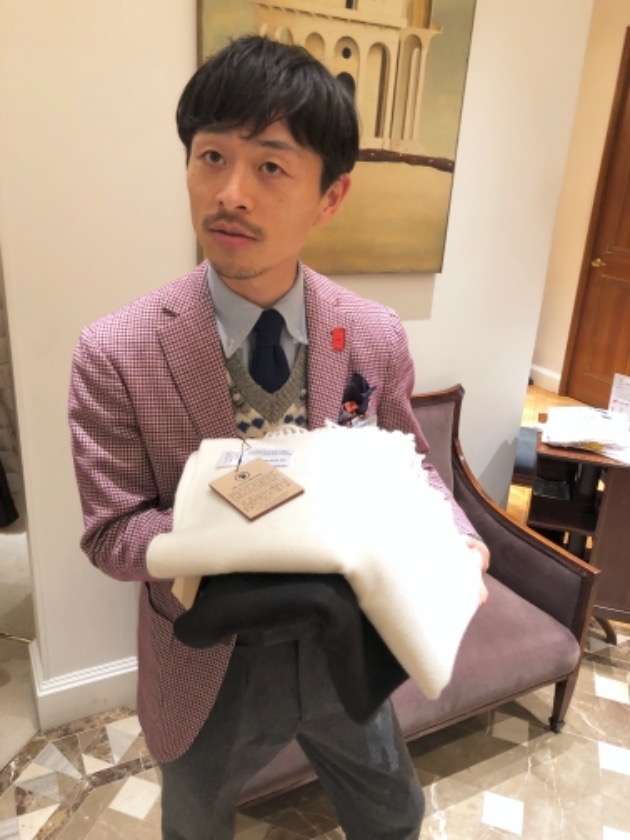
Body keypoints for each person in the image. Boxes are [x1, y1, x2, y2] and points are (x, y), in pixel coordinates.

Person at [68, 34, 489, 840]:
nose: (230, 193)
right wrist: (234, 526)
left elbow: (410, 466)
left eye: (270, 166)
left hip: (348, 641)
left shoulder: (372, 332)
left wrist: (460, 538)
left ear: (331, 197)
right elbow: (111, 535)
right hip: (207, 663)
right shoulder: (115, 352)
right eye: (211, 157)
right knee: (195, 828)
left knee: (395, 816)